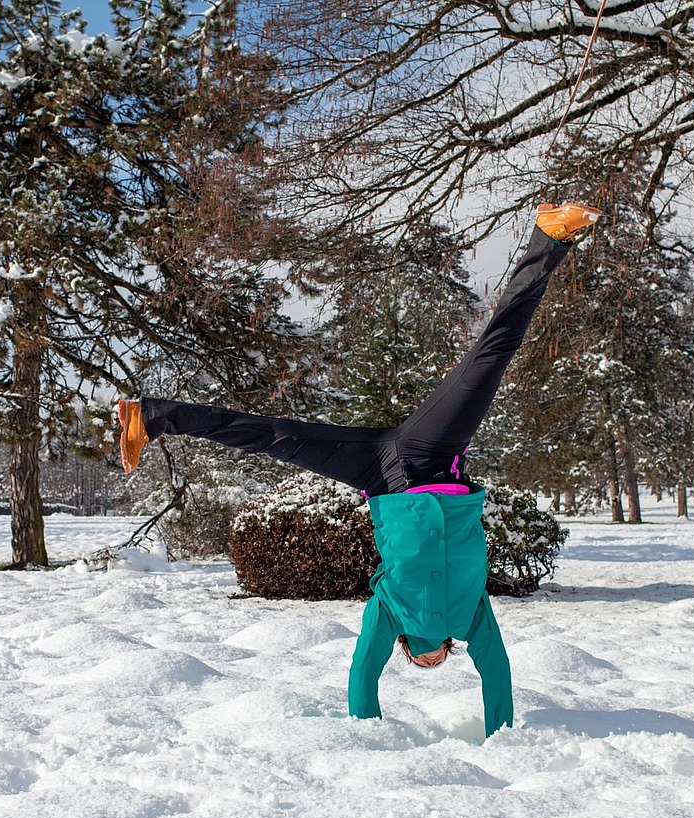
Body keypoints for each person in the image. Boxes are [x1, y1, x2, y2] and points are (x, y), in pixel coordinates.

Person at [117, 202, 600, 737]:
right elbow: (497, 674)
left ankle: (151, 415)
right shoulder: (472, 619)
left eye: (419, 667)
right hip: (431, 457)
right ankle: (549, 238)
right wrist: (501, 734)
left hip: (381, 475)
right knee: (492, 354)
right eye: (435, 664)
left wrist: (366, 730)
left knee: (273, 436)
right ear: (446, 652)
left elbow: (363, 675)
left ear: (408, 655)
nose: (429, 665)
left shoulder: (389, 613)